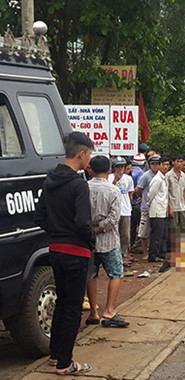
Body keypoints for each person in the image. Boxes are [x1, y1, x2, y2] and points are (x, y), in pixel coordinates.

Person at [34, 132, 95, 375]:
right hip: (76, 252)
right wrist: (90, 240)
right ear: (81, 153)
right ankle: (65, 363)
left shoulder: (50, 180)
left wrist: (58, 232)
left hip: (55, 251)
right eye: (89, 155)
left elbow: (39, 216)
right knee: (72, 308)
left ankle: (55, 354)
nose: (89, 160)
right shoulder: (78, 184)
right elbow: (83, 222)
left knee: (62, 304)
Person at [86, 156, 130, 329]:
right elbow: (113, 219)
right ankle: (109, 310)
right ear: (109, 170)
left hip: (88, 240)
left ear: (90, 169)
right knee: (116, 273)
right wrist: (99, 229)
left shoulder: (84, 188)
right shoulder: (113, 191)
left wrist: (90, 230)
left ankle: (93, 313)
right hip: (109, 240)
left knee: (91, 274)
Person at [134, 154, 161, 258]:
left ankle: (153, 252)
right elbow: (138, 189)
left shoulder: (161, 175)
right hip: (146, 207)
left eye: (157, 164)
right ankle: (145, 253)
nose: (155, 166)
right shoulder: (145, 175)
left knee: (156, 231)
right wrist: (143, 197)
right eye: (153, 164)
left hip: (158, 207)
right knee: (144, 232)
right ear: (149, 165)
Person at [109, 157, 134, 266]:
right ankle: (114, 257)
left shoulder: (128, 179)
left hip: (126, 210)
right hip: (114, 211)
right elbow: (109, 192)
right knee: (115, 235)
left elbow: (130, 194)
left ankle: (124, 256)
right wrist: (115, 180)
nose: (120, 169)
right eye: (118, 166)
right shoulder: (109, 178)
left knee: (125, 235)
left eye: (122, 166)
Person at [148, 156, 170, 262]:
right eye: (163, 164)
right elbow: (151, 194)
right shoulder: (157, 179)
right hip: (156, 210)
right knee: (156, 235)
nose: (166, 167)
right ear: (159, 165)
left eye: (167, 165)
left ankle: (161, 254)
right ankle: (153, 255)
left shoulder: (164, 178)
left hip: (163, 210)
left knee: (163, 234)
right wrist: (149, 204)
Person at [129, 153, 145, 250]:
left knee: (131, 226)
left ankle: (130, 244)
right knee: (140, 225)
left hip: (130, 203)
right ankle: (137, 246)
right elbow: (139, 187)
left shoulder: (130, 170)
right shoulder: (140, 173)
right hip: (137, 202)